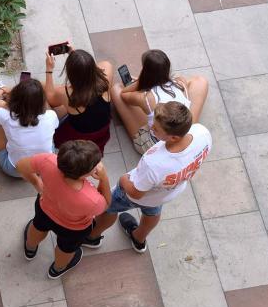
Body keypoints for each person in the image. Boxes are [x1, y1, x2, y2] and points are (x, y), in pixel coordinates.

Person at [85, 102, 211, 252]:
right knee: (152, 212)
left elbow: (136, 193)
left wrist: (123, 181)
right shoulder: (203, 133)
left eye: (157, 129)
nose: (151, 128)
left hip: (135, 193)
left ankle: (92, 237)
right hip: (165, 193)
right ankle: (139, 239)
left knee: (108, 208)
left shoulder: (154, 163)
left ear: (174, 138)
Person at [16, 140, 111, 279]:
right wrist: (104, 178)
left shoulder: (47, 160)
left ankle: (30, 249)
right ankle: (57, 268)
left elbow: (21, 166)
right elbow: (106, 204)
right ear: (85, 174)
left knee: (37, 226)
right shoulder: (91, 199)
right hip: (73, 228)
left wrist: (37, 183)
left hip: (45, 209)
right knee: (66, 248)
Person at [114, 49, 209, 155]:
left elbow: (124, 94)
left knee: (116, 89)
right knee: (200, 81)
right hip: (183, 127)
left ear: (145, 72)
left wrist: (140, 81)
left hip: (158, 142)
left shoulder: (147, 98)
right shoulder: (180, 82)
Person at [0, 76, 60, 177]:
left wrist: (2, 90)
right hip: (42, 168)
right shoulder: (51, 116)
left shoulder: (8, 117)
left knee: (0, 112)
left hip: (13, 169)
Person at [45, 47, 114, 153]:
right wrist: (79, 59)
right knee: (105, 64)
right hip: (101, 132)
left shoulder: (67, 93)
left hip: (78, 136)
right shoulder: (105, 80)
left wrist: (49, 70)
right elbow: (103, 65)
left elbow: (50, 98)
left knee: (44, 88)